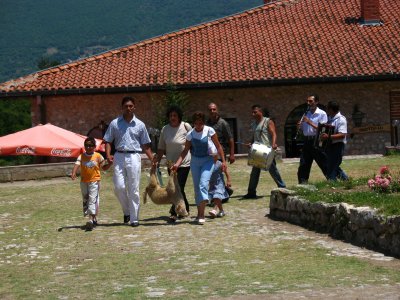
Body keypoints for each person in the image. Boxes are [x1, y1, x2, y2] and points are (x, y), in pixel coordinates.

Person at [103, 96, 154, 227]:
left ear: (134, 107)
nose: (128, 108)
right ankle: (127, 211)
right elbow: (108, 141)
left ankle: (134, 217)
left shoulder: (140, 125)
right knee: (119, 187)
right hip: (119, 156)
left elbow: (146, 145)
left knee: (134, 188)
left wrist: (152, 159)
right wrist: (108, 155)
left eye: (131, 106)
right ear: (122, 107)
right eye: (126, 106)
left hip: (134, 156)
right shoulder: (115, 123)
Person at [172, 111, 226, 225]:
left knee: (203, 183)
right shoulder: (190, 134)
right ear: (193, 123)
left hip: (208, 160)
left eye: (200, 123)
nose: (198, 125)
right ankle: (200, 214)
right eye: (196, 123)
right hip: (195, 161)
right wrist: (177, 164)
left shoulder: (209, 131)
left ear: (203, 122)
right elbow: (185, 151)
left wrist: (224, 161)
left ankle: (205, 200)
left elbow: (218, 146)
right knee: (197, 188)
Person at [153, 105, 192, 222]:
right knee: (174, 189)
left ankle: (175, 211)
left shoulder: (186, 126)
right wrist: (156, 162)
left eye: (175, 115)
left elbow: (193, 142)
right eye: (170, 116)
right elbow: (161, 148)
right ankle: (184, 210)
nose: (172, 118)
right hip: (171, 164)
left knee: (178, 187)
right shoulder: (165, 129)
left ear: (179, 116)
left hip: (184, 163)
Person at [243, 104, 286, 199]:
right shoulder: (254, 123)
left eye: (255, 112)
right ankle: (251, 192)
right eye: (252, 112)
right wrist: (250, 143)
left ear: (260, 112)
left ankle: (282, 187)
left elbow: (273, 133)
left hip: (266, 151)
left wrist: (274, 144)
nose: (253, 114)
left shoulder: (268, 121)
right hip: (258, 151)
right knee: (255, 172)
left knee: (273, 170)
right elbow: (254, 137)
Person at [71, 137, 112, 231]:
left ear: (94, 146)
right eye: (86, 145)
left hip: (95, 181)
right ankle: (94, 218)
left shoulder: (98, 156)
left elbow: (104, 168)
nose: (88, 147)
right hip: (84, 181)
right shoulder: (81, 156)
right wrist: (73, 173)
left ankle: (90, 219)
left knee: (92, 199)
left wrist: (110, 164)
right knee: (86, 199)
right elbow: (77, 164)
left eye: (90, 145)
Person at [297, 94, 328, 184]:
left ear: (316, 102)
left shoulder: (322, 113)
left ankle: (332, 179)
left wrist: (310, 122)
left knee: (323, 162)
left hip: (317, 140)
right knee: (303, 164)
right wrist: (298, 126)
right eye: (307, 101)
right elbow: (302, 129)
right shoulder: (306, 113)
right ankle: (303, 183)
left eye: (311, 101)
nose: (308, 103)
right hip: (307, 140)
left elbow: (323, 129)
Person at [320, 101, 349, 181]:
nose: (326, 110)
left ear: (331, 109)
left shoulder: (341, 119)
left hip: (338, 146)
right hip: (330, 145)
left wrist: (328, 137)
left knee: (332, 167)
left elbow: (343, 134)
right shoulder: (330, 119)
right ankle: (346, 180)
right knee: (332, 165)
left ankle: (332, 183)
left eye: (328, 108)